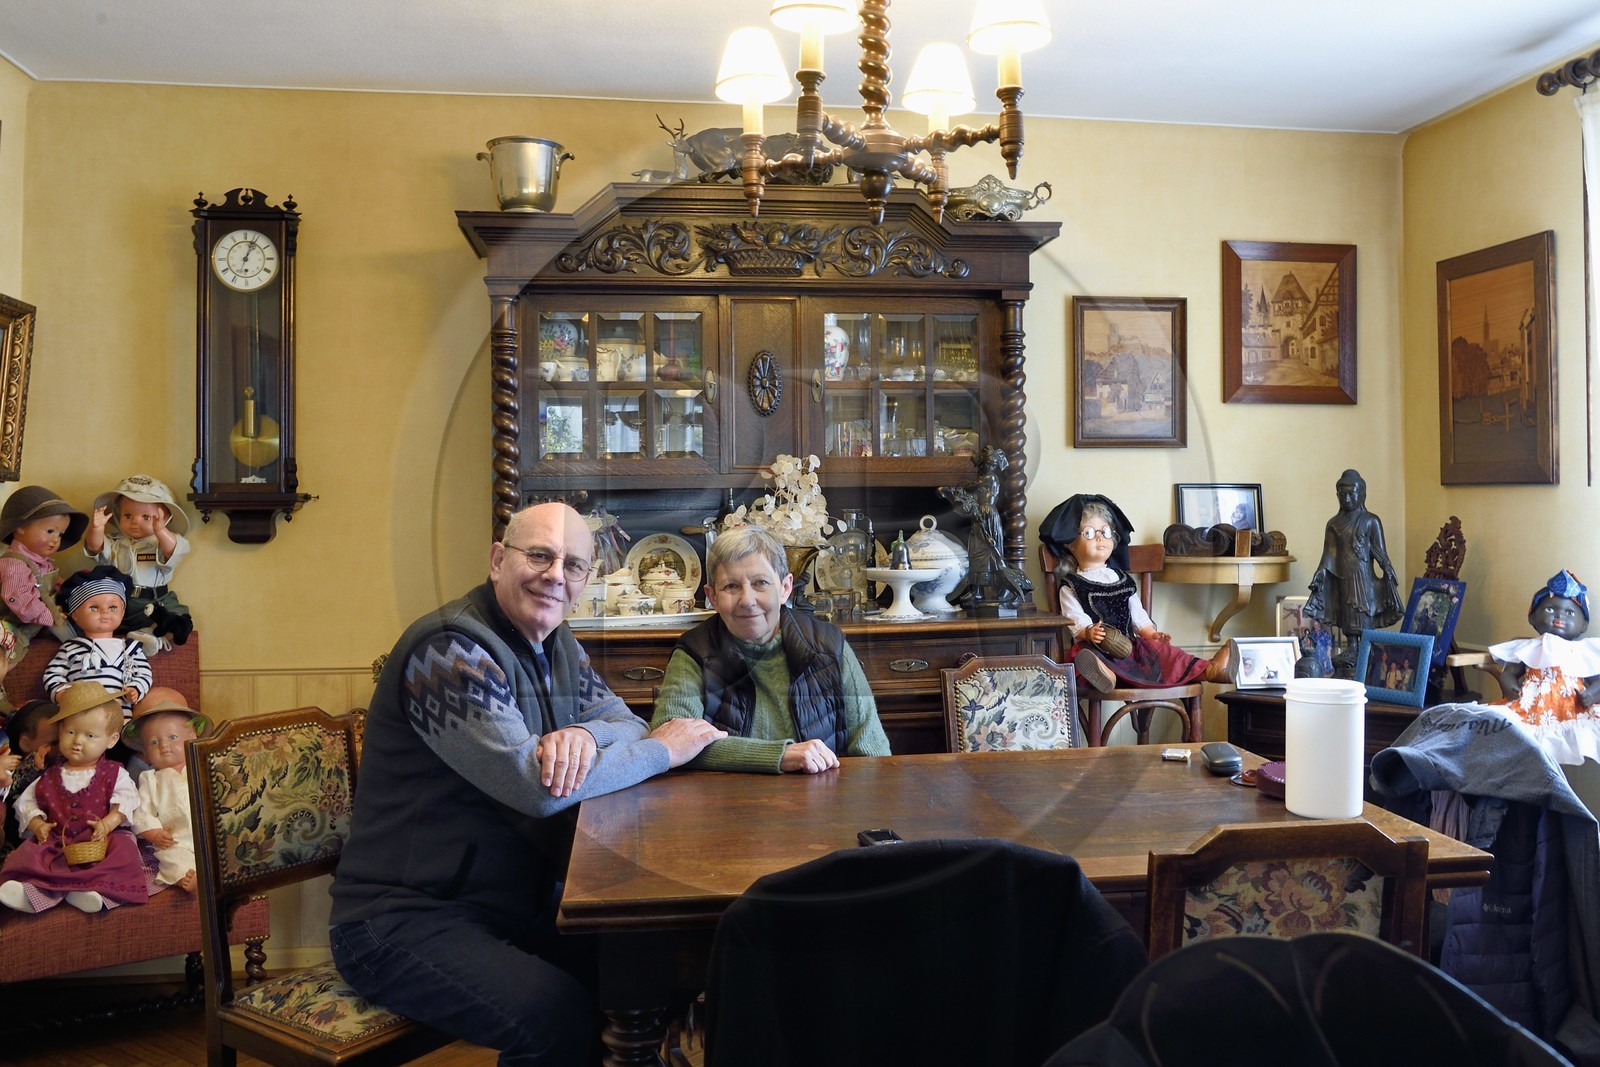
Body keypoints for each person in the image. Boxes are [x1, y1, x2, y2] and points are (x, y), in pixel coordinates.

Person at [328, 501, 725, 1065]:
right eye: (539, 555)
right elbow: (535, 790)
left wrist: (583, 733)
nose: (555, 575)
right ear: (498, 560)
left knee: (654, 970)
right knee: (553, 1015)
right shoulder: (448, 651)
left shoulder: (557, 642)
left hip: (510, 904)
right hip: (399, 918)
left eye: (573, 564)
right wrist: (664, 751)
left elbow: (626, 722)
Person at [650, 524, 890, 774]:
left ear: (785, 588)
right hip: (724, 797)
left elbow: (873, 754)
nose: (747, 600)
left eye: (760, 583)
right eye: (731, 586)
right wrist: (780, 755)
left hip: (824, 795)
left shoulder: (829, 647)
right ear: (713, 598)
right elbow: (670, 746)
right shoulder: (694, 652)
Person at [1039, 493, 1231, 694]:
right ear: (1070, 543)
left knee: (1165, 653)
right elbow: (1074, 620)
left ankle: (1210, 669)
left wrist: (1152, 634)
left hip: (1129, 648)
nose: (1099, 538)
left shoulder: (1123, 580)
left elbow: (1138, 616)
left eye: (1105, 531)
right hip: (1095, 647)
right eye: (1089, 533)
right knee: (1086, 656)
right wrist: (1088, 632)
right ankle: (1105, 676)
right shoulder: (1071, 586)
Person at [0, 681, 147, 914]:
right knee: (33, 855)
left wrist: (108, 823)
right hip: (58, 840)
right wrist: (38, 825)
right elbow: (26, 803)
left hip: (99, 841)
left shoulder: (114, 773)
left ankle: (94, 893)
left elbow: (126, 799)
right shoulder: (49, 775)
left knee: (123, 851)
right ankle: (32, 893)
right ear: (60, 732)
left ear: (111, 740)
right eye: (70, 732)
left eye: (90, 735)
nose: (78, 741)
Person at [1485, 568, 1600, 766]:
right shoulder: (1530, 647)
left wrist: (1591, 695)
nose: (1560, 616)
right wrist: (1511, 687)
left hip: (1572, 711)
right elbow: (1509, 673)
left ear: (1583, 625)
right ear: (1532, 617)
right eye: (1550, 609)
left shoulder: (1582, 650)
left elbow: (1597, 681)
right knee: (1517, 741)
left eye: (1570, 612)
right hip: (1530, 710)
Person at [83, 474, 194, 654]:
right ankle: (130, 637)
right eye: (128, 515)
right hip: (121, 601)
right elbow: (95, 547)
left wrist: (160, 531)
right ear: (118, 515)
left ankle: (153, 636)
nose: (135, 522)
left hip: (156, 600)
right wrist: (97, 529)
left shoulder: (161, 542)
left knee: (179, 622)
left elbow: (173, 550)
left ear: (165, 518)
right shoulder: (116, 543)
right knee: (96, 619)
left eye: (146, 517)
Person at [1304, 469, 1403, 667]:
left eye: (1351, 494)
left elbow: (1379, 550)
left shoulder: (1371, 521)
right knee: (1346, 611)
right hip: (1342, 575)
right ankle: (1352, 646)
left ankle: (1367, 647)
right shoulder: (1333, 524)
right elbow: (1329, 554)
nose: (1347, 498)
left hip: (1363, 576)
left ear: (1362, 495)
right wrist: (1320, 573)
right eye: (1343, 495)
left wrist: (1387, 567)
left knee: (1364, 610)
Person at [42, 566, 152, 722]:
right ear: (75, 615)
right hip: (80, 720)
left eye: (113, 607)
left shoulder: (131, 648)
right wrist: (61, 693)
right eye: (94, 608)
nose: (105, 612)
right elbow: (53, 674)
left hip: (119, 721)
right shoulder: (71, 648)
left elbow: (144, 674)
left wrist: (136, 688)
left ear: (122, 612)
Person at [123, 692, 209, 892]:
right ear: (145, 753)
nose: (164, 746)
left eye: (172, 737)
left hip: (208, 834)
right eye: (154, 742)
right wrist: (154, 834)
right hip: (174, 840)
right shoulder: (150, 780)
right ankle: (187, 876)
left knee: (223, 851)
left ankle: (214, 872)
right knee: (171, 858)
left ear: (192, 738)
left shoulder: (203, 768)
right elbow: (142, 814)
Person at [0, 486, 87, 663]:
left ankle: (84, 651)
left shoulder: (40, 562)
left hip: (38, 619)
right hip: (15, 622)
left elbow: (45, 585)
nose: (56, 540)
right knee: (9, 655)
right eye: (50, 531)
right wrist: (48, 616)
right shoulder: (14, 565)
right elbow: (19, 598)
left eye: (60, 534)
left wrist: (67, 589)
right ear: (20, 528)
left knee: (77, 628)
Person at [0, 700, 57, 855]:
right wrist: (33, 765)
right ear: (25, 744)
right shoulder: (12, 762)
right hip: (18, 836)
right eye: (53, 742)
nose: (61, 746)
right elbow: (11, 791)